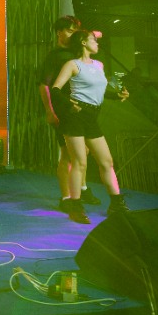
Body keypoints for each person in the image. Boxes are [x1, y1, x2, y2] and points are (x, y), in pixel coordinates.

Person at [52, 30, 131, 224]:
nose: (97, 43)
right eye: (93, 40)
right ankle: (75, 207)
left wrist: (117, 95)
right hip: (75, 117)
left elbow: (100, 91)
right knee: (80, 162)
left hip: (92, 116)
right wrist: (69, 105)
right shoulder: (72, 65)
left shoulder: (99, 65)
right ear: (83, 42)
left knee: (107, 161)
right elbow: (55, 90)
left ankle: (117, 204)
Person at [38, 15, 99, 212]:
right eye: (70, 31)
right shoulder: (54, 56)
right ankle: (66, 198)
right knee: (67, 154)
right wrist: (50, 111)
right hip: (63, 110)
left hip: (81, 110)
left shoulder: (77, 53)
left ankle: (82, 188)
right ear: (59, 33)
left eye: (75, 31)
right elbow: (44, 85)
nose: (73, 35)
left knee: (84, 151)